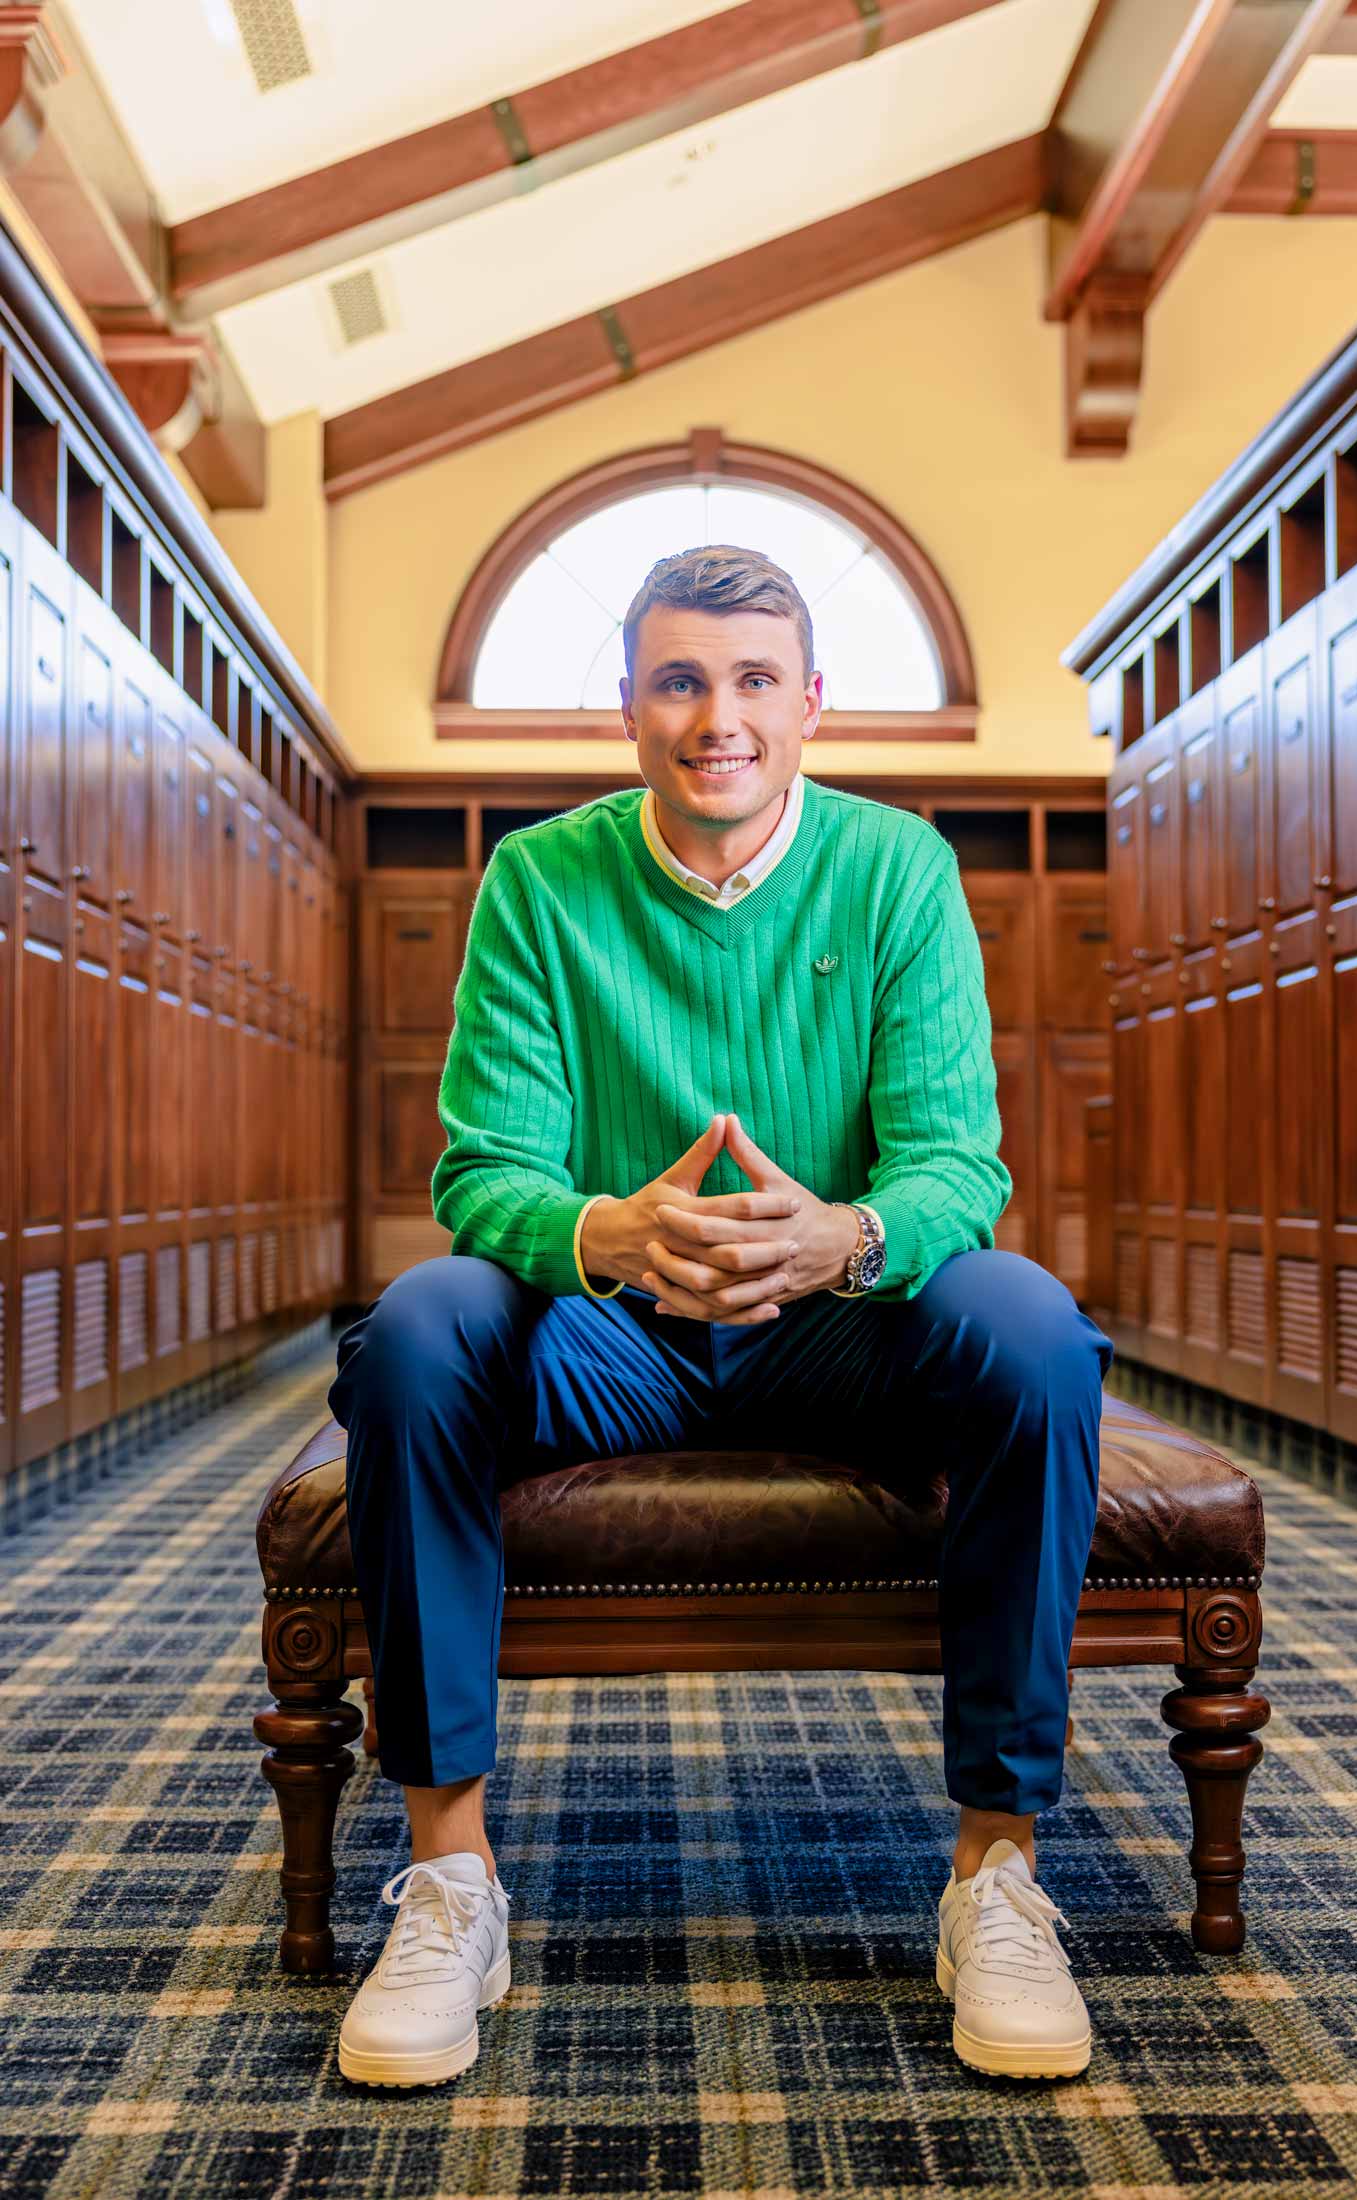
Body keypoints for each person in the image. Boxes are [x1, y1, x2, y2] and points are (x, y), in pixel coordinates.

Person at [327, 544, 1113, 2090]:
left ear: (814, 705)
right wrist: (600, 1229)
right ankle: (452, 1883)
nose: (718, 717)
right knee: (416, 1330)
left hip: (842, 1329)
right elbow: (485, 1173)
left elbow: (962, 1163)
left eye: (754, 679)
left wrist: (848, 1233)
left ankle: (997, 1876)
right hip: (614, 1336)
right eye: (679, 679)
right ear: (627, 707)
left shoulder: (898, 869)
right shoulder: (541, 882)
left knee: (1030, 1324)